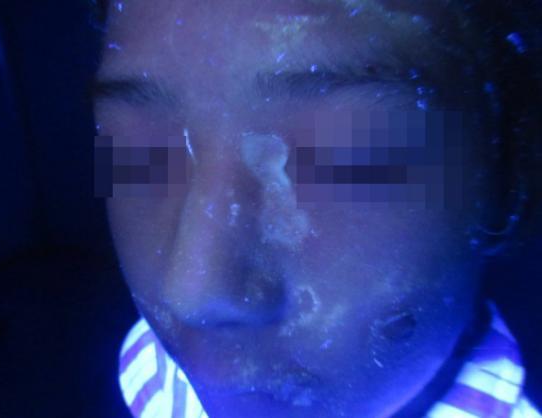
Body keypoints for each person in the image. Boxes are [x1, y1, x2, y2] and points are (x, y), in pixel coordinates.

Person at [90, 0, 542, 416]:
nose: (194, 294)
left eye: (350, 156)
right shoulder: (97, 367)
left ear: (509, 176)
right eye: (138, 157)